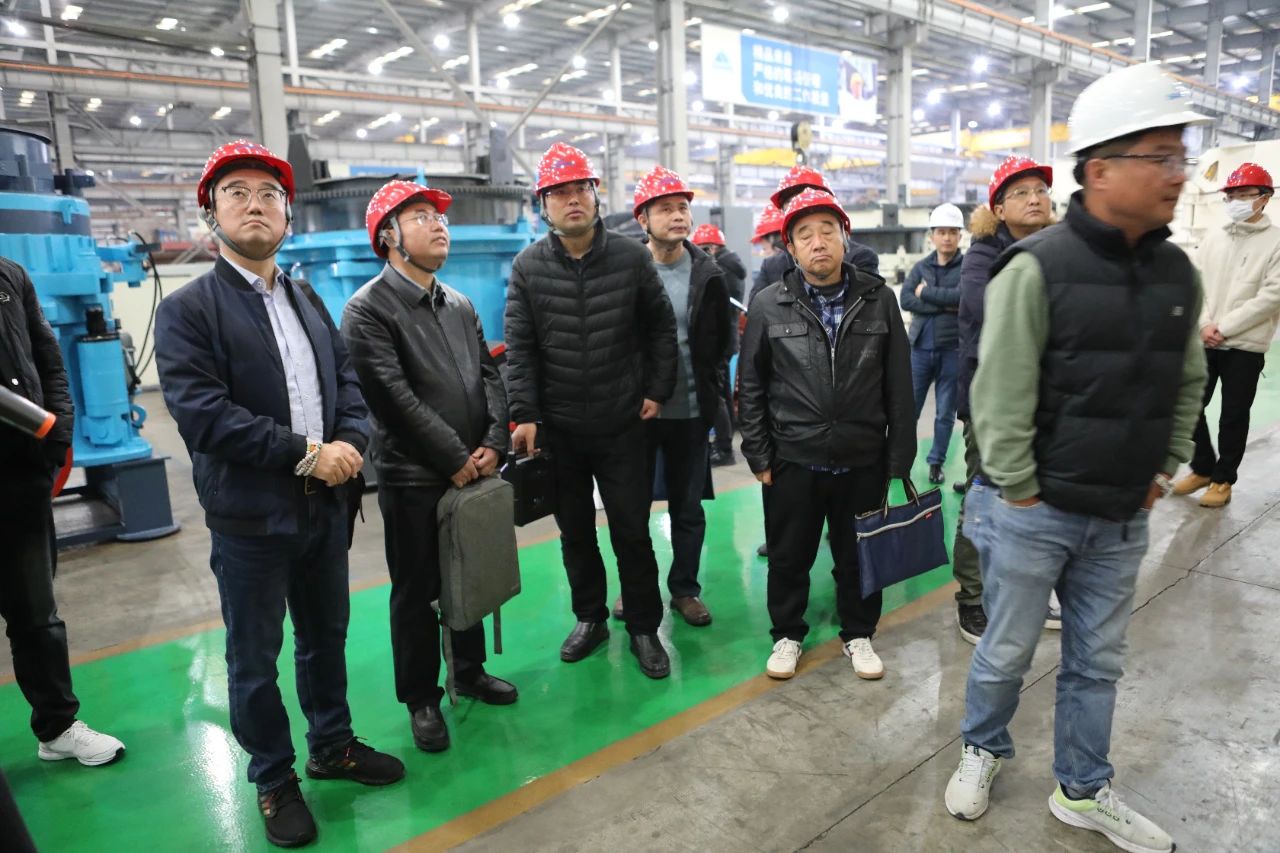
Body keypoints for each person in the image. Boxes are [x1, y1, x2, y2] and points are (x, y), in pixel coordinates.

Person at [943, 65, 1209, 853]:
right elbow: (998, 397)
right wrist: (1021, 492)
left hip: (1122, 511)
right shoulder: (1040, 267)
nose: (1177, 173)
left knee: (1097, 661)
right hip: (1034, 513)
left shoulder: (1175, 271)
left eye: (1178, 155)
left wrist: (1164, 464)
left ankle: (1083, 789)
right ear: (1100, 170)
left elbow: (1186, 375)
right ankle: (982, 747)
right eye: (1159, 156)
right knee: (1007, 649)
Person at [155, 140, 403, 849]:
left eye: (269, 193)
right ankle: (273, 776)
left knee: (325, 638)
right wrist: (306, 454)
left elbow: (345, 378)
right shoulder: (190, 310)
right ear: (211, 213)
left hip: (326, 509)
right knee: (254, 656)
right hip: (251, 519)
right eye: (237, 192)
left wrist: (352, 440)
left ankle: (332, 744)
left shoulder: (304, 295)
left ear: (288, 214)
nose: (255, 203)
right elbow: (204, 414)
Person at [342, 180, 518, 755]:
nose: (439, 224)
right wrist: (452, 458)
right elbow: (392, 397)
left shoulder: (459, 302)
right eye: (420, 217)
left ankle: (467, 669)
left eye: (439, 217)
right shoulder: (367, 309)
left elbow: (491, 377)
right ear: (388, 237)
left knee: (466, 571)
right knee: (416, 589)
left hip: (474, 467)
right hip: (414, 478)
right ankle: (421, 696)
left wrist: (493, 441)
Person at [504, 143, 678, 679]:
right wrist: (526, 412)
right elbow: (520, 344)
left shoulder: (630, 257)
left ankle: (645, 626)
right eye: (559, 192)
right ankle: (590, 617)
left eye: (580, 188)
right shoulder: (528, 266)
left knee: (631, 529)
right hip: (560, 431)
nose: (572, 199)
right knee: (575, 531)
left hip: (622, 422)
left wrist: (656, 387)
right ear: (544, 205)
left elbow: (660, 327)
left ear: (596, 196)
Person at [738, 188, 915, 682]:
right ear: (790, 248)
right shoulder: (769, 306)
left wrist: (898, 458)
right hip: (794, 456)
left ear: (844, 238)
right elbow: (750, 386)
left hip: (862, 457)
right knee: (789, 556)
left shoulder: (879, 301)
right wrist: (759, 454)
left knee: (859, 556)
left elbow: (899, 384)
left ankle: (858, 634)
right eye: (804, 235)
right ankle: (788, 635)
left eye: (827, 232)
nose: (818, 243)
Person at [0, 257, 125, 768]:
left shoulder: (9, 275)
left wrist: (58, 435)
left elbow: (48, 358)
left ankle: (57, 728)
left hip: (18, 473)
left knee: (36, 615)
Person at [952, 156, 1056, 644]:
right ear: (997, 207)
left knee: (1036, 501)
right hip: (991, 404)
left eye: (1040, 189)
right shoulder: (982, 255)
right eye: (1021, 192)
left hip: (1047, 400)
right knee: (983, 498)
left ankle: (1026, 591)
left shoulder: (1058, 249)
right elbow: (987, 308)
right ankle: (971, 599)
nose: (1035, 198)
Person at [623, 168, 730, 627]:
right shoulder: (627, 271)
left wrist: (712, 391)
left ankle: (685, 589)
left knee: (688, 508)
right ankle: (637, 589)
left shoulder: (708, 272)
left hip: (691, 411)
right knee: (632, 509)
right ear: (643, 218)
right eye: (665, 208)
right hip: (639, 415)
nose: (678, 215)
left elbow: (724, 341)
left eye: (683, 207)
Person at [1173, 163, 1280, 508]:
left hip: (1245, 345)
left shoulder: (1276, 242)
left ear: (1264, 199)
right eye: (1232, 195)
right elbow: (1197, 283)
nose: (1237, 200)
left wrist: (1226, 327)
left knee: (1233, 415)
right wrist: (1204, 324)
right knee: (1189, 405)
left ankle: (1223, 480)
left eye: (1246, 194)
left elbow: (1271, 295)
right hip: (1206, 340)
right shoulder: (1214, 237)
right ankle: (1203, 466)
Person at [900, 203, 965, 485]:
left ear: (960, 236)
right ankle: (900, 462)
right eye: (942, 232)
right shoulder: (920, 267)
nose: (947, 237)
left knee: (945, 412)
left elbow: (963, 299)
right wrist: (943, 304)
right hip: (920, 349)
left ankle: (936, 462)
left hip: (952, 349)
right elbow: (905, 299)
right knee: (908, 410)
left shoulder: (967, 267)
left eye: (952, 232)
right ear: (932, 236)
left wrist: (927, 294)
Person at [748, 166, 879, 305]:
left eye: (827, 232)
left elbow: (869, 311)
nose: (800, 204)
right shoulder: (772, 266)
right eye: (790, 202)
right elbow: (757, 311)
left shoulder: (860, 258)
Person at [692, 223, 746, 468]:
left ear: (713, 247)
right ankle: (724, 444)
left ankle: (724, 448)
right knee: (722, 393)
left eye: (703, 249)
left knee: (718, 396)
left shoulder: (722, 270)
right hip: (726, 339)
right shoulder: (729, 266)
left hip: (721, 341)